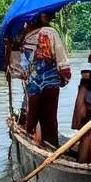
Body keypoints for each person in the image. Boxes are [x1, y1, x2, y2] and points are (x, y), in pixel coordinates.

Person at [18, 10, 71, 147]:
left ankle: (31, 140)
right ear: (42, 17)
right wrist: (65, 75)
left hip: (34, 85)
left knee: (32, 119)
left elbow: (21, 69)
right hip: (51, 83)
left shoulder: (25, 37)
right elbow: (61, 57)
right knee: (50, 121)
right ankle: (51, 147)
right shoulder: (50, 32)